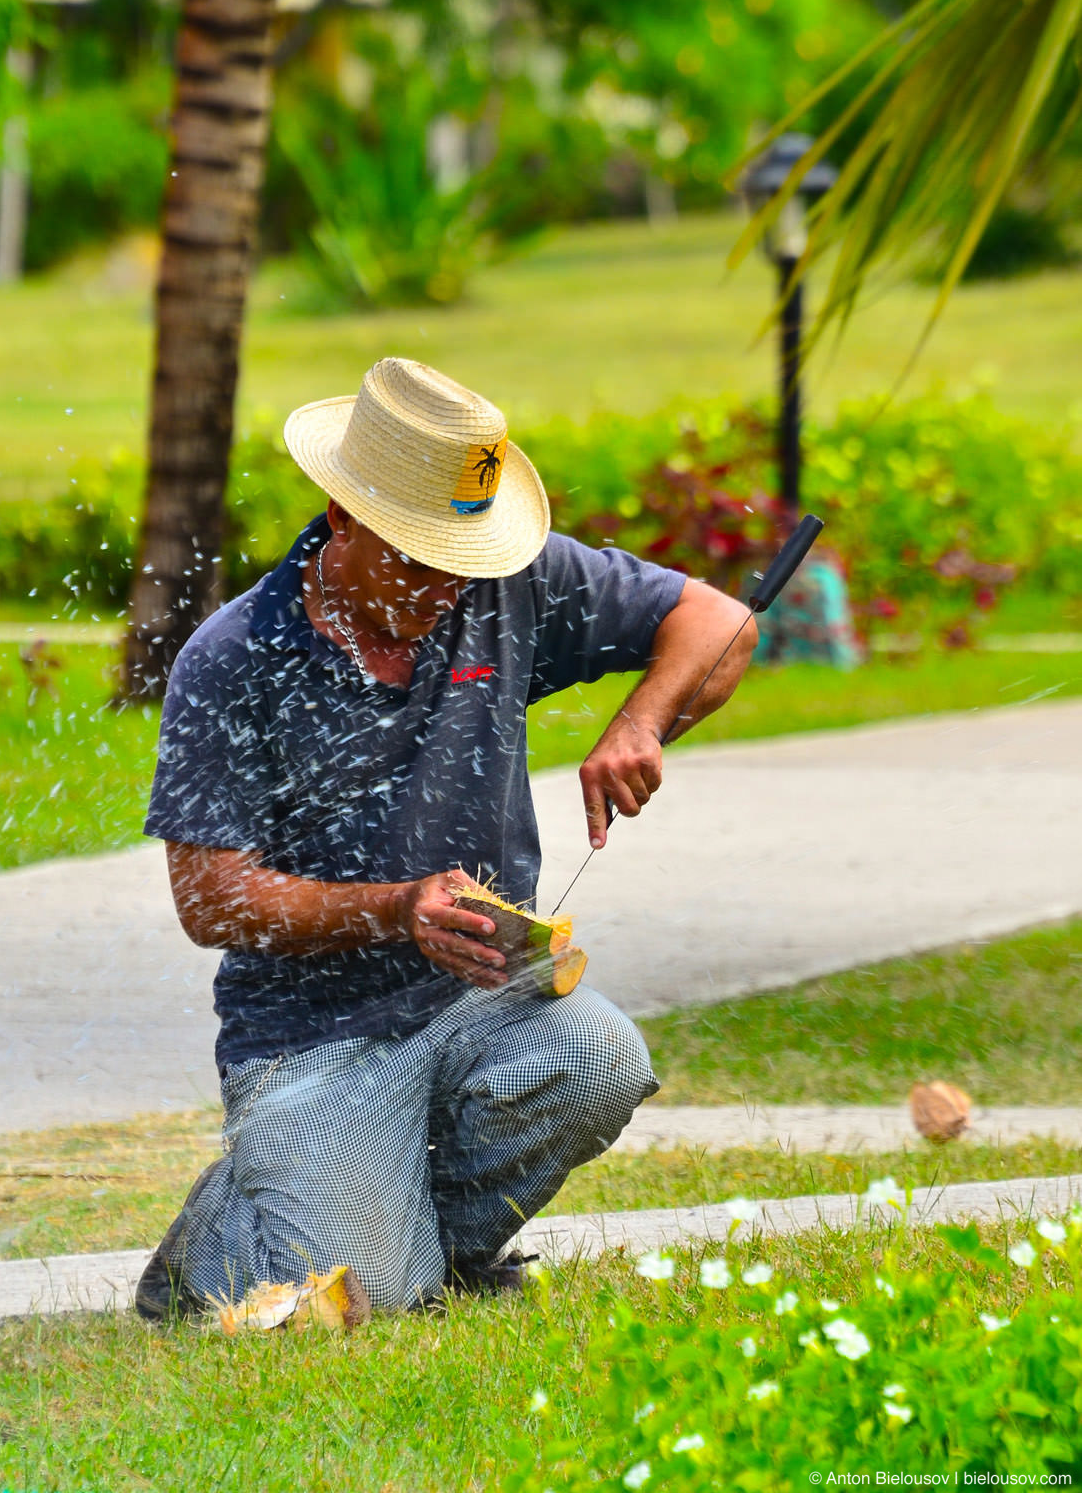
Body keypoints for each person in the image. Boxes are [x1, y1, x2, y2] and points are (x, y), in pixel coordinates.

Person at [135, 357, 757, 1320]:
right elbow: (210, 900)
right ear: (342, 519)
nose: (446, 587)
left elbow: (718, 623)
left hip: (481, 995)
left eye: (461, 559)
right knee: (367, 1295)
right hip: (313, 1040)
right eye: (416, 558)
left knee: (603, 1060)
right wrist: (395, 910)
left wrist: (640, 724)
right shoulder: (232, 659)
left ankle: (420, 1245)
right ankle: (223, 1236)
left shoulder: (497, 581)